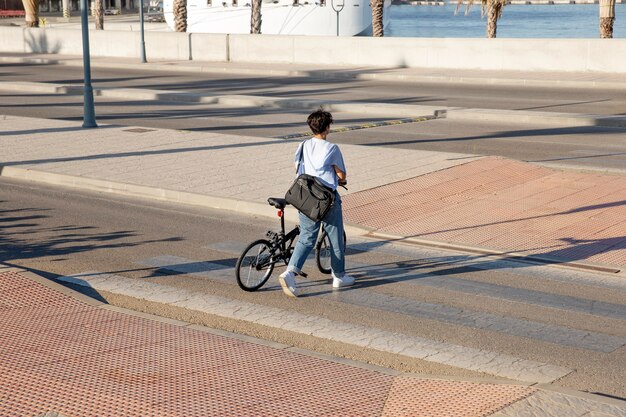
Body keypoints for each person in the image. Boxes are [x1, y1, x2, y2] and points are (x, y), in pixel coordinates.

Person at [278, 109, 355, 297]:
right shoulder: (332, 148)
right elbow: (341, 175)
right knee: (335, 237)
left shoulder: (303, 145)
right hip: (327, 200)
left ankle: (290, 273)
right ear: (327, 128)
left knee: (306, 237)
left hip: (306, 198)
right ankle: (339, 276)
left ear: (311, 127)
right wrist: (339, 179)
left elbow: (297, 167)